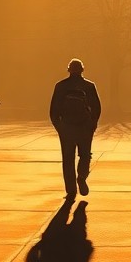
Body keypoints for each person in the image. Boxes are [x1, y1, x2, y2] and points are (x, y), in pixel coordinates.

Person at [49, 57, 101, 199]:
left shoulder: (60, 86)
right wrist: (92, 123)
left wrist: (59, 126)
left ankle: (71, 189)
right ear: (82, 70)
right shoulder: (89, 86)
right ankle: (82, 177)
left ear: (69, 70)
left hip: (66, 127)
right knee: (85, 155)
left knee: (68, 158)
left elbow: (54, 110)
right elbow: (96, 107)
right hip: (84, 126)